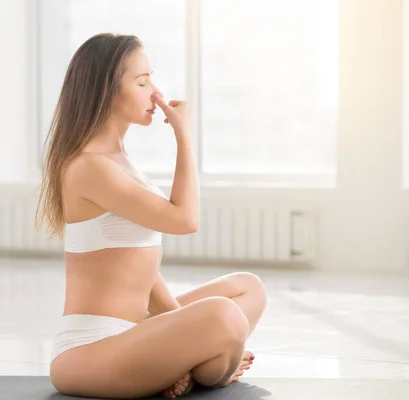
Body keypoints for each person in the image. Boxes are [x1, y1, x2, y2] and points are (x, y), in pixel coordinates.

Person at [35, 33, 267, 399]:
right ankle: (211, 371)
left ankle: (187, 366)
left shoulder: (120, 162)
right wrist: (183, 136)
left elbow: (139, 266)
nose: (156, 93)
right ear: (107, 91)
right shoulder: (89, 167)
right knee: (224, 316)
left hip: (138, 334)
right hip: (93, 352)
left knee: (248, 288)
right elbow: (186, 221)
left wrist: (178, 324)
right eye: (142, 82)